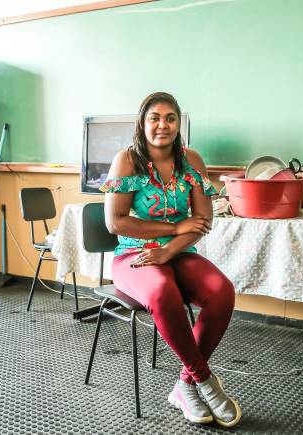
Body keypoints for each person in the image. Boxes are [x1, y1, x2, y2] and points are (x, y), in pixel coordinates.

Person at [100, 92, 241, 427]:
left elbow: (203, 220)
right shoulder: (128, 161)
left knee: (222, 291)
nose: (162, 125)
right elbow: (116, 221)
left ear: (179, 124)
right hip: (134, 255)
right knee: (164, 292)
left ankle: (184, 385)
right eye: (154, 118)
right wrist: (174, 226)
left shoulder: (191, 160)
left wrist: (169, 249)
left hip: (177, 253)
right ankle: (204, 380)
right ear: (142, 122)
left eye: (170, 118)